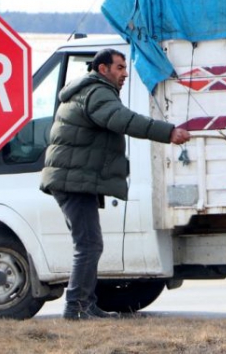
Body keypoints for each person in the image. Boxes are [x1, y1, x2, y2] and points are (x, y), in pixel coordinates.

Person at [40, 48, 191, 320]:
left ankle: (86, 304)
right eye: (120, 67)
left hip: (73, 180)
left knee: (89, 244)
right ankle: (76, 308)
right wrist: (168, 132)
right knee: (88, 245)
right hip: (72, 181)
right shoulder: (98, 93)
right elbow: (123, 120)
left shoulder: (87, 91)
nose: (125, 73)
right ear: (103, 69)